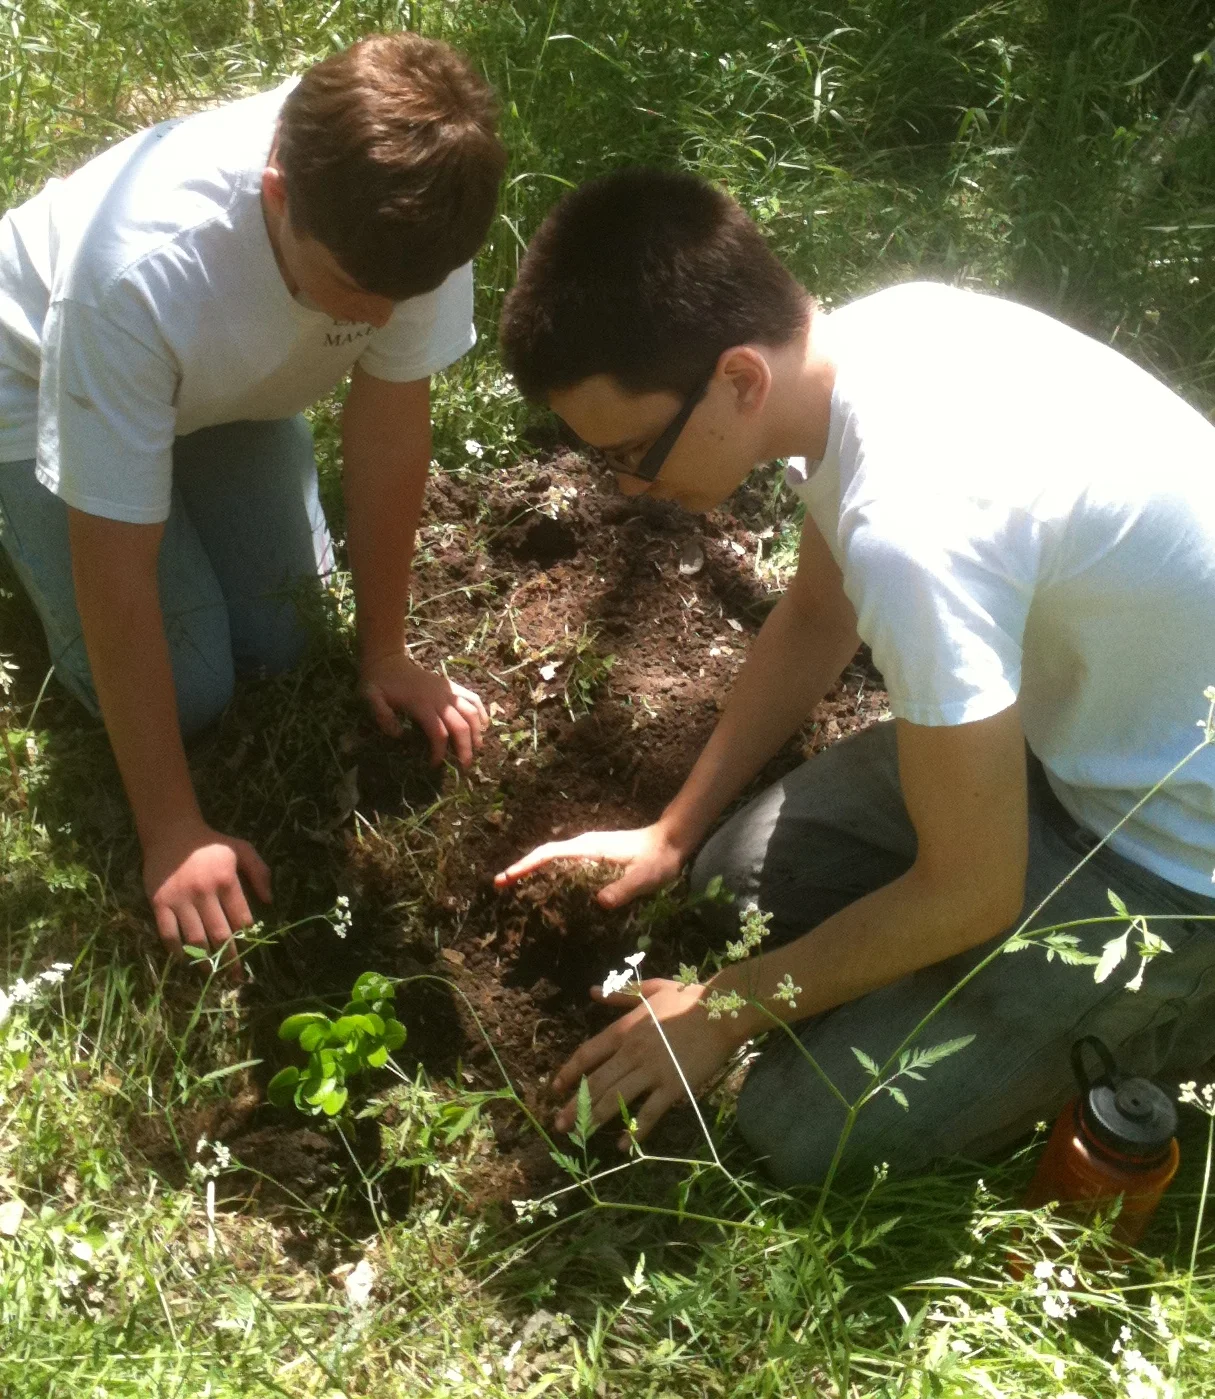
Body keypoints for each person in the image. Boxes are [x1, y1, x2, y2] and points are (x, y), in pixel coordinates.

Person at [494, 167, 1215, 1186]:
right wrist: (672, 827)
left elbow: (973, 889)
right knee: (732, 876)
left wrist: (722, 1013)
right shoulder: (868, 346)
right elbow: (818, 612)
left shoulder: (916, 526)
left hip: (1172, 861)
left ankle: (1174, 1016)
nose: (627, 486)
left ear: (739, 378)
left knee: (799, 1128)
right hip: (1068, 746)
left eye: (633, 451)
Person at [0, 34, 506, 972]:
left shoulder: (417, 211)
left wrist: (386, 648)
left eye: (408, 293)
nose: (386, 318)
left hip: (223, 389)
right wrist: (173, 826)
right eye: (358, 292)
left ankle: (156, 462)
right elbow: (115, 570)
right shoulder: (136, 272)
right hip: (31, 386)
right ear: (276, 191)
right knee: (193, 685)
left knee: (281, 635)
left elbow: (391, 423)